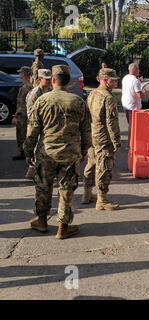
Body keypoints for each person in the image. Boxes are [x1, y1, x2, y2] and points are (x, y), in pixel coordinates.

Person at [23, 65, 91, 239]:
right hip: (70, 155)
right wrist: (84, 151)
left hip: (46, 153)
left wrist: (28, 151)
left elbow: (33, 130)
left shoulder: (42, 101)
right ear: (68, 81)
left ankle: (42, 221)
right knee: (66, 190)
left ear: (53, 80)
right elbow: (86, 131)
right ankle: (63, 226)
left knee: (43, 188)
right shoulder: (78, 101)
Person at [82, 68, 121, 211]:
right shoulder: (108, 97)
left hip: (92, 135)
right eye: (113, 80)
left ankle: (86, 194)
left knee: (91, 164)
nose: (116, 82)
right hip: (104, 137)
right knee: (104, 167)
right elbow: (112, 122)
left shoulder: (92, 93)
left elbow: (86, 115)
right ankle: (102, 200)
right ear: (105, 80)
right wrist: (116, 141)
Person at [23, 68, 52, 179]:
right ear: (40, 79)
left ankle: (33, 172)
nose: (49, 81)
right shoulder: (35, 94)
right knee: (36, 149)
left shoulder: (49, 91)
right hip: (36, 125)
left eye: (50, 79)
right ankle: (34, 173)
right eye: (46, 79)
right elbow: (31, 113)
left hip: (46, 125)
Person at [121, 63, 147, 147]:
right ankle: (130, 144)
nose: (139, 70)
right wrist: (145, 93)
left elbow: (131, 87)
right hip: (133, 106)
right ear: (135, 70)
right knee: (133, 126)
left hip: (126, 103)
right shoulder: (135, 81)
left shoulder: (125, 78)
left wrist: (139, 82)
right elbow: (140, 95)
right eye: (138, 68)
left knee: (131, 125)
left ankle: (132, 143)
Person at [11, 66, 33, 161]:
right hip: (24, 115)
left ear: (24, 74)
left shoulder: (26, 87)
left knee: (22, 134)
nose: (19, 74)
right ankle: (24, 152)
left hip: (23, 116)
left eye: (21, 72)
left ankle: (25, 153)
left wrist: (16, 116)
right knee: (22, 134)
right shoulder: (26, 85)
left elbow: (23, 104)